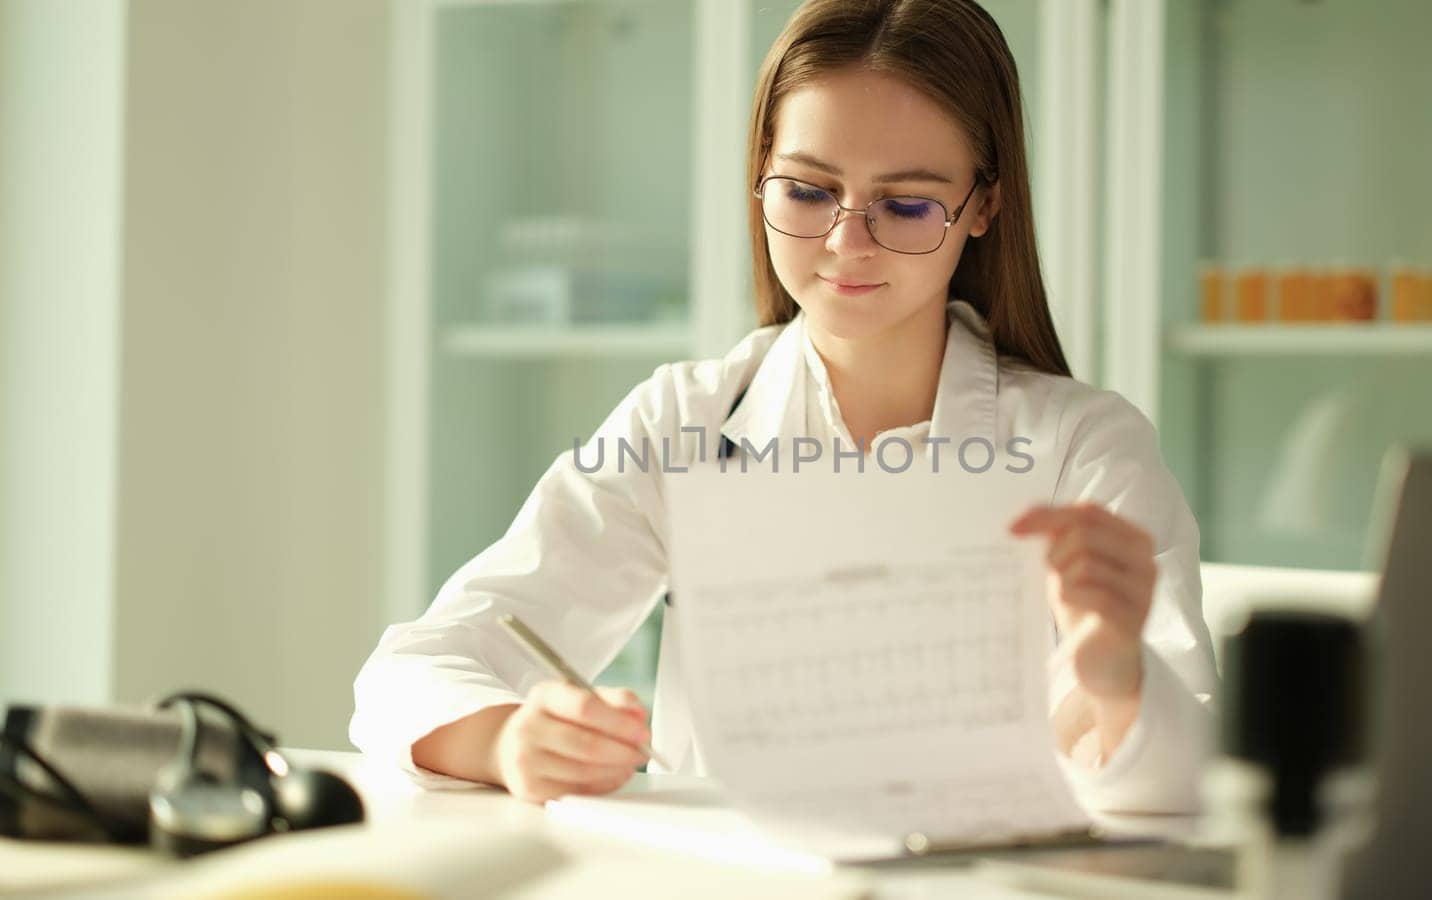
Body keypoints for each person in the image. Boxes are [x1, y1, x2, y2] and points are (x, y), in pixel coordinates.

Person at [350, 0, 1216, 815]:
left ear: (984, 204)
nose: (847, 242)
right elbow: (415, 668)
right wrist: (509, 742)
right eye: (806, 191)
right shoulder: (683, 423)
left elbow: (1194, 768)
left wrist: (1117, 678)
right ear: (760, 172)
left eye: (907, 205)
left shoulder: (1081, 448)